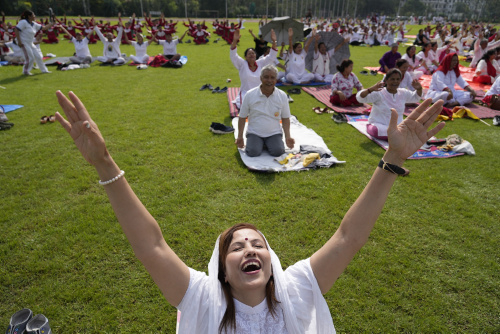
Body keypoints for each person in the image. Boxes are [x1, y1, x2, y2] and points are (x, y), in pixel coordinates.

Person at [54, 88, 445, 333]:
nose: (249, 250)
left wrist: (392, 160)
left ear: (271, 259)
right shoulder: (202, 298)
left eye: (256, 243)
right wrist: (106, 165)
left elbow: (348, 238)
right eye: (237, 247)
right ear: (222, 269)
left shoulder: (297, 289)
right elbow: (152, 246)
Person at [235, 64, 294, 157]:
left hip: (274, 133)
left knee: (278, 152)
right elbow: (242, 117)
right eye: (266, 77)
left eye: (272, 78)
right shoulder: (250, 94)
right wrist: (240, 137)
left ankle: (266, 144)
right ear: (261, 78)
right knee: (253, 152)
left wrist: (288, 136)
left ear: (276, 80)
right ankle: (259, 143)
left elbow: (285, 118)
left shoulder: (282, 95)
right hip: (254, 132)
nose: (269, 80)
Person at [357, 68, 423, 144]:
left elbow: (415, 98)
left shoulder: (403, 92)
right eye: (392, 79)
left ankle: (396, 136)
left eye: (398, 79)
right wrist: (370, 89)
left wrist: (419, 89)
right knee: (377, 130)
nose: (395, 82)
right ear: (386, 80)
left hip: (397, 127)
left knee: (412, 128)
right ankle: (397, 137)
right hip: (379, 125)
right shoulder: (379, 92)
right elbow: (361, 98)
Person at [230, 29, 278, 109]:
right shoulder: (242, 64)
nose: (251, 55)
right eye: (249, 53)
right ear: (245, 57)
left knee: (269, 107)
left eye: (253, 53)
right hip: (246, 93)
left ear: (256, 55)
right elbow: (233, 55)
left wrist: (274, 41)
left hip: (259, 92)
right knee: (245, 108)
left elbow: (271, 56)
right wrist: (235, 41)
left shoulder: (261, 63)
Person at [15, 10, 52, 75]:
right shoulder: (23, 22)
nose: (35, 16)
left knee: (38, 56)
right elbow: (16, 30)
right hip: (24, 42)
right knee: (30, 58)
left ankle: (44, 70)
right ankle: (26, 71)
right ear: (29, 16)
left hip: (30, 43)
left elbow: (44, 28)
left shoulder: (34, 24)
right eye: (33, 15)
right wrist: (19, 42)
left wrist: (51, 24)